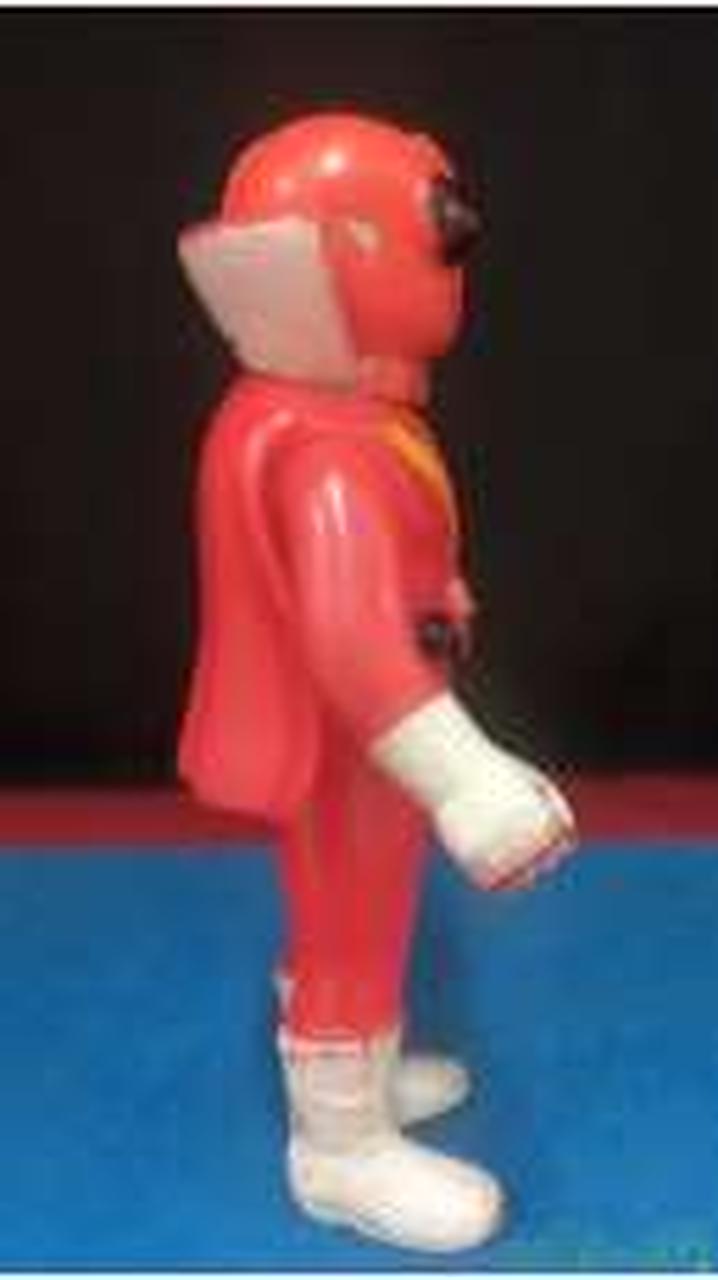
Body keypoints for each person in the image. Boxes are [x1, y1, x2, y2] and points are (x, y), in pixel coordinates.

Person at [177, 112, 576, 1252]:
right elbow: (352, 645)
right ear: (350, 257)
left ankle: (363, 1076)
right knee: (350, 920)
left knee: (361, 911)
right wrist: (466, 778)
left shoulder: (337, 420)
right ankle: (340, 1147)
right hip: (357, 744)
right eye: (438, 233)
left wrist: (435, 594)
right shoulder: (329, 451)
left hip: (367, 741)